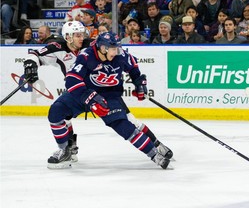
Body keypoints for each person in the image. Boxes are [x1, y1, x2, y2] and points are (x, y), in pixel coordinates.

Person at [23, 21, 173, 166]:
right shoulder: (57, 48)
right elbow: (35, 55)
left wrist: (139, 82)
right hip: (79, 90)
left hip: (106, 92)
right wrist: (30, 66)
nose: (82, 38)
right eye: (77, 35)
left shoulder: (96, 46)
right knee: (60, 114)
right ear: (68, 36)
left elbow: (128, 60)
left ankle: (156, 145)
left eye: (82, 34)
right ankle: (67, 150)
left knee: (129, 122)